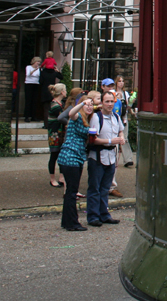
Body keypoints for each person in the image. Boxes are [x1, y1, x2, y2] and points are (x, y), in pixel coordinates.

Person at [86, 90, 126, 227]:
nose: (109, 104)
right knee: (95, 188)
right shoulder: (96, 117)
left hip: (111, 157)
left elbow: (120, 130)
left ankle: (104, 214)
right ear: (102, 103)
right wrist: (110, 141)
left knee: (105, 188)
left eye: (111, 101)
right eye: (107, 101)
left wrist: (121, 137)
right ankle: (93, 216)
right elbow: (93, 139)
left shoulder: (116, 116)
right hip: (97, 157)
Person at [57, 95, 96, 231]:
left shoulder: (87, 120)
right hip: (70, 157)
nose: (89, 107)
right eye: (87, 104)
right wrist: (82, 104)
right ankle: (72, 223)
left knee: (70, 191)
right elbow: (71, 113)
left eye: (91, 105)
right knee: (72, 192)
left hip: (77, 158)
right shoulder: (77, 116)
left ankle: (66, 221)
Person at [47, 83, 67, 188]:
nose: (66, 92)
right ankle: (52, 179)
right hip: (55, 134)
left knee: (61, 154)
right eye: (65, 90)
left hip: (60, 133)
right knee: (54, 155)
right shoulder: (55, 106)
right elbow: (62, 117)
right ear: (62, 92)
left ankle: (61, 177)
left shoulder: (60, 104)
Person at [114, 76, 134, 168]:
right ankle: (113, 160)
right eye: (119, 81)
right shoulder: (112, 92)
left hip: (123, 118)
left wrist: (131, 104)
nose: (121, 83)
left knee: (125, 138)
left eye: (122, 81)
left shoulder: (125, 93)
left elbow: (127, 106)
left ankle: (128, 159)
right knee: (114, 138)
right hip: (114, 117)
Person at [24, 57, 41, 122]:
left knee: (35, 101)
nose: (38, 63)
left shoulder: (39, 69)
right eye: (37, 62)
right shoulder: (28, 67)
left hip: (36, 84)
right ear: (34, 62)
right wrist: (34, 70)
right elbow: (28, 74)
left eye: (39, 62)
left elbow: (39, 76)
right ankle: (27, 116)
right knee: (28, 100)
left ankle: (33, 116)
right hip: (29, 84)